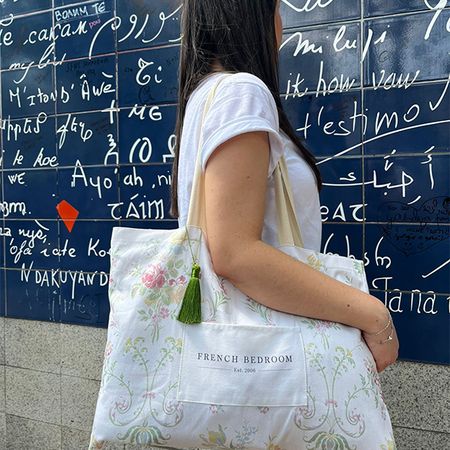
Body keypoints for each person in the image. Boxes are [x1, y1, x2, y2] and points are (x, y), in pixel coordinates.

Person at [170, 0, 399, 375]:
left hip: (232, 356)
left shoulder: (204, 96)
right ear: (250, 14)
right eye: (277, 10)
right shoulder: (242, 92)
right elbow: (234, 253)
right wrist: (374, 316)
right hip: (267, 359)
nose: (282, 25)